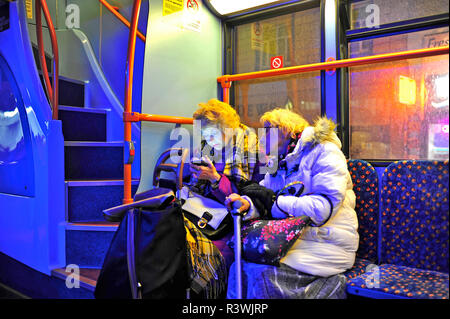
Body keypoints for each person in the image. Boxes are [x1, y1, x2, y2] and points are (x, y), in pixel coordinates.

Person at [225, 108, 359, 299]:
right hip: (293, 238)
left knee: (260, 273)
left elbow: (323, 208)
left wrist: (274, 202)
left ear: (286, 130)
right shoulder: (276, 161)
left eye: (268, 130)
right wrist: (248, 205)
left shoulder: (324, 151)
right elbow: (266, 194)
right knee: (238, 266)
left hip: (326, 240)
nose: (262, 137)